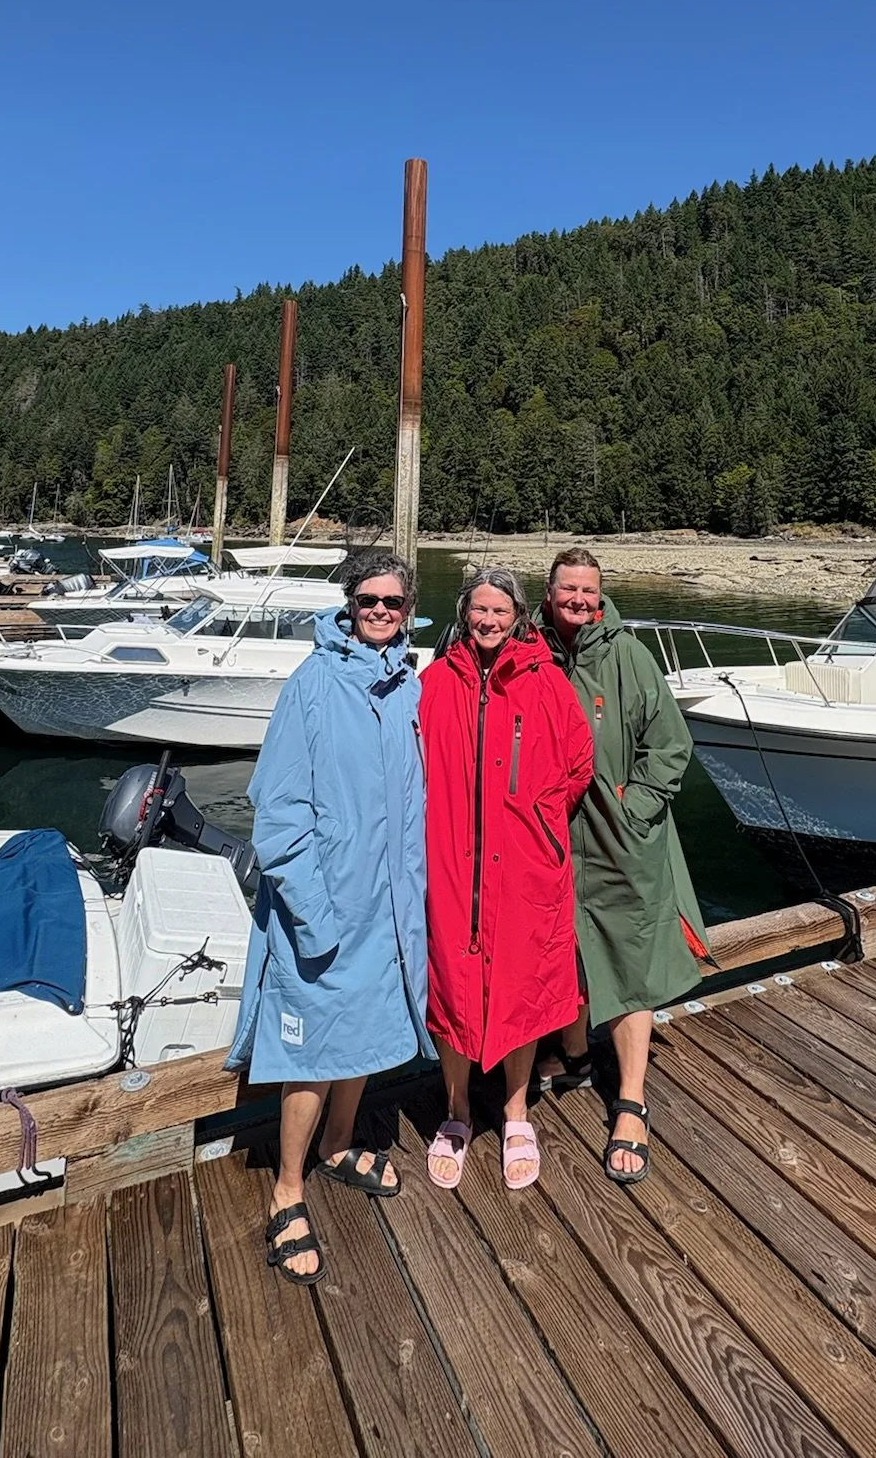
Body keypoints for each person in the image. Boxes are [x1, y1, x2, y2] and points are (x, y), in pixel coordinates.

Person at [225, 548, 429, 1284]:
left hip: (392, 908)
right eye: (368, 600)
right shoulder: (312, 684)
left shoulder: (410, 686)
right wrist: (312, 914)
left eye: (393, 602)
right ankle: (287, 1189)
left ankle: (341, 1143)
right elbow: (277, 816)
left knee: (368, 1033)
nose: (380, 611)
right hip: (327, 908)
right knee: (310, 1053)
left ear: (409, 608)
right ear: (349, 605)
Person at [534, 549, 711, 1184]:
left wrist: (635, 806)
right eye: (568, 590)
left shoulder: (630, 657)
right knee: (564, 952)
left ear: (600, 595)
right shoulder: (532, 652)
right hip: (550, 838)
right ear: (548, 592)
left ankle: (630, 1100)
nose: (579, 600)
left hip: (622, 839)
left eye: (589, 590)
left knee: (631, 960)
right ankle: (575, 1054)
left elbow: (671, 745)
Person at [419, 568, 593, 1191]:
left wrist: (539, 822)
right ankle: (458, 1109)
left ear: (518, 616)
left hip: (525, 867)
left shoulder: (546, 681)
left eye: (499, 612)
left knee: (521, 987)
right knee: (453, 987)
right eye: (478, 611)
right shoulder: (436, 682)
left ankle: (517, 1110)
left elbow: (577, 765)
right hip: (452, 867)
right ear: (464, 616)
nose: (488, 622)